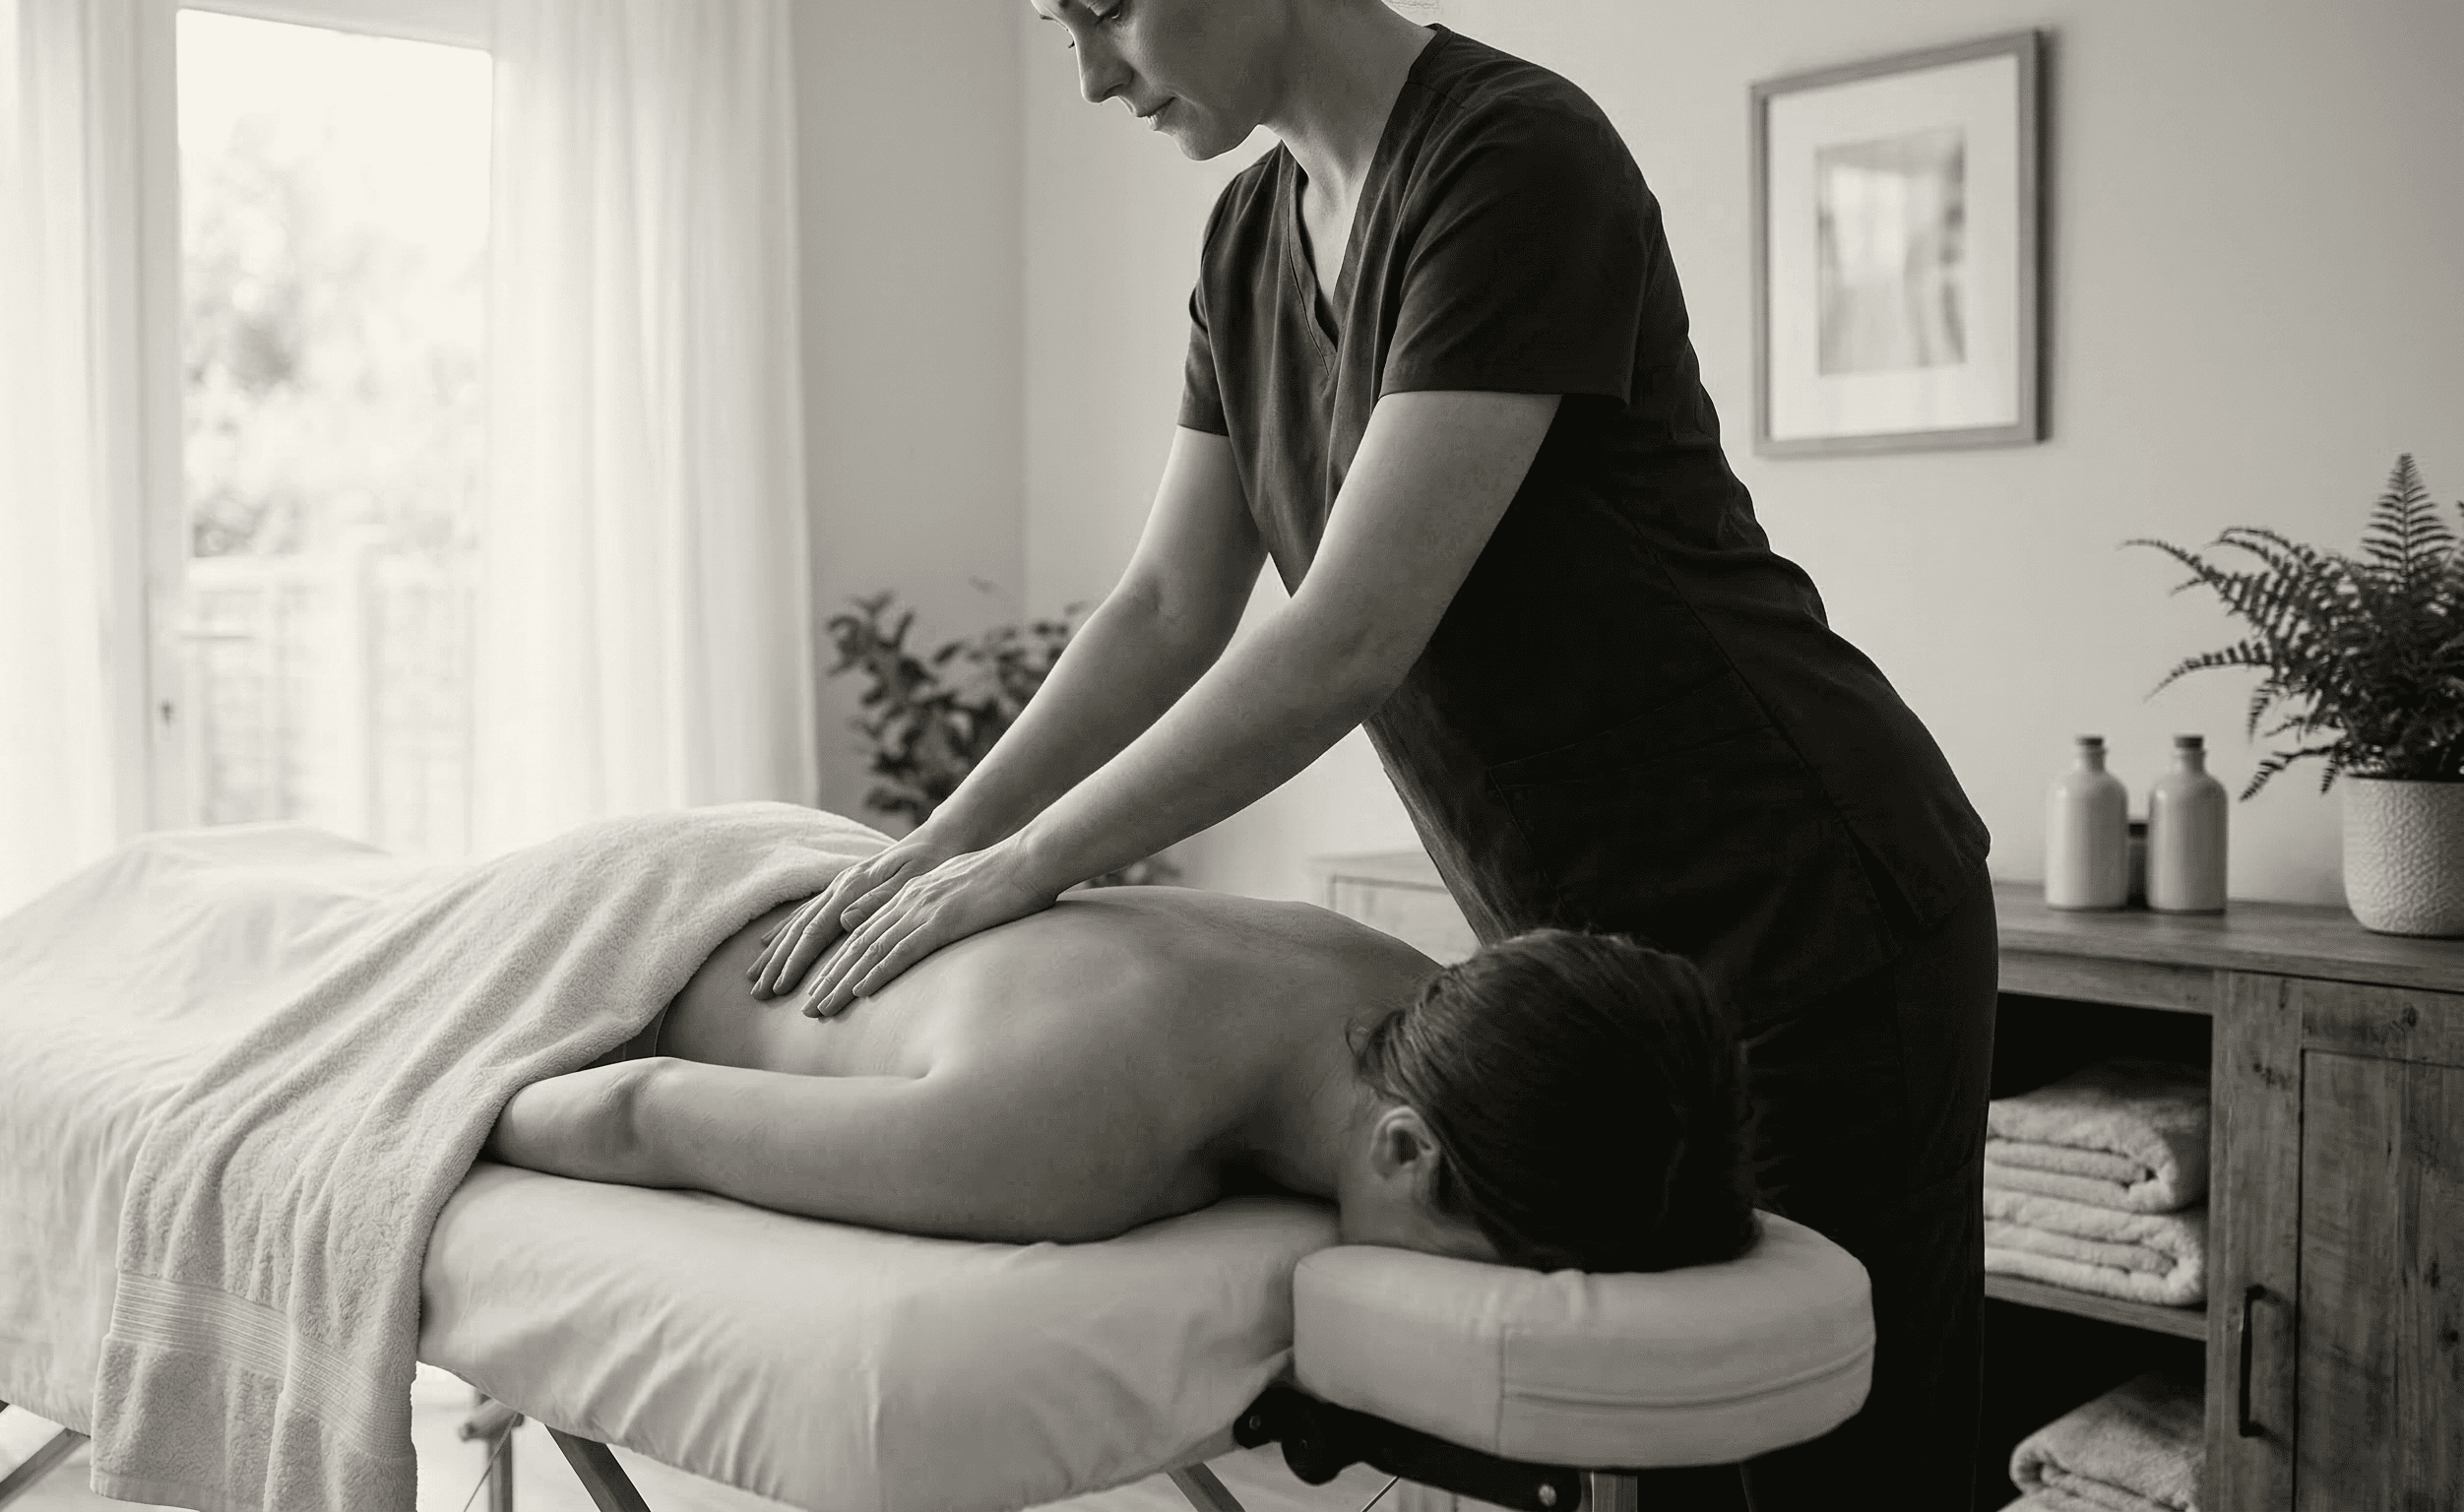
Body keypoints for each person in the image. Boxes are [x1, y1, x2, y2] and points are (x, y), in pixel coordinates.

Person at [747, 4, 1994, 1505]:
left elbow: (1348, 635)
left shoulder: (1513, 159)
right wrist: (935, 851)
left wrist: (1026, 866)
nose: (1089, 76)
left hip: (1802, 906)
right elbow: (1161, 609)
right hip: (1576, 965)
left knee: (1833, 1467)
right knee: (1631, 1450)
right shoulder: (1245, 242)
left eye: (1108, 10)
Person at [491, 879, 1754, 1277]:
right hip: (605, 943)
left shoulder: (1407, 982)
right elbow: (631, 1109)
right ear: (1404, 1152)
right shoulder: (1072, 1141)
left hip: (806, 877)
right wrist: (446, 1114)